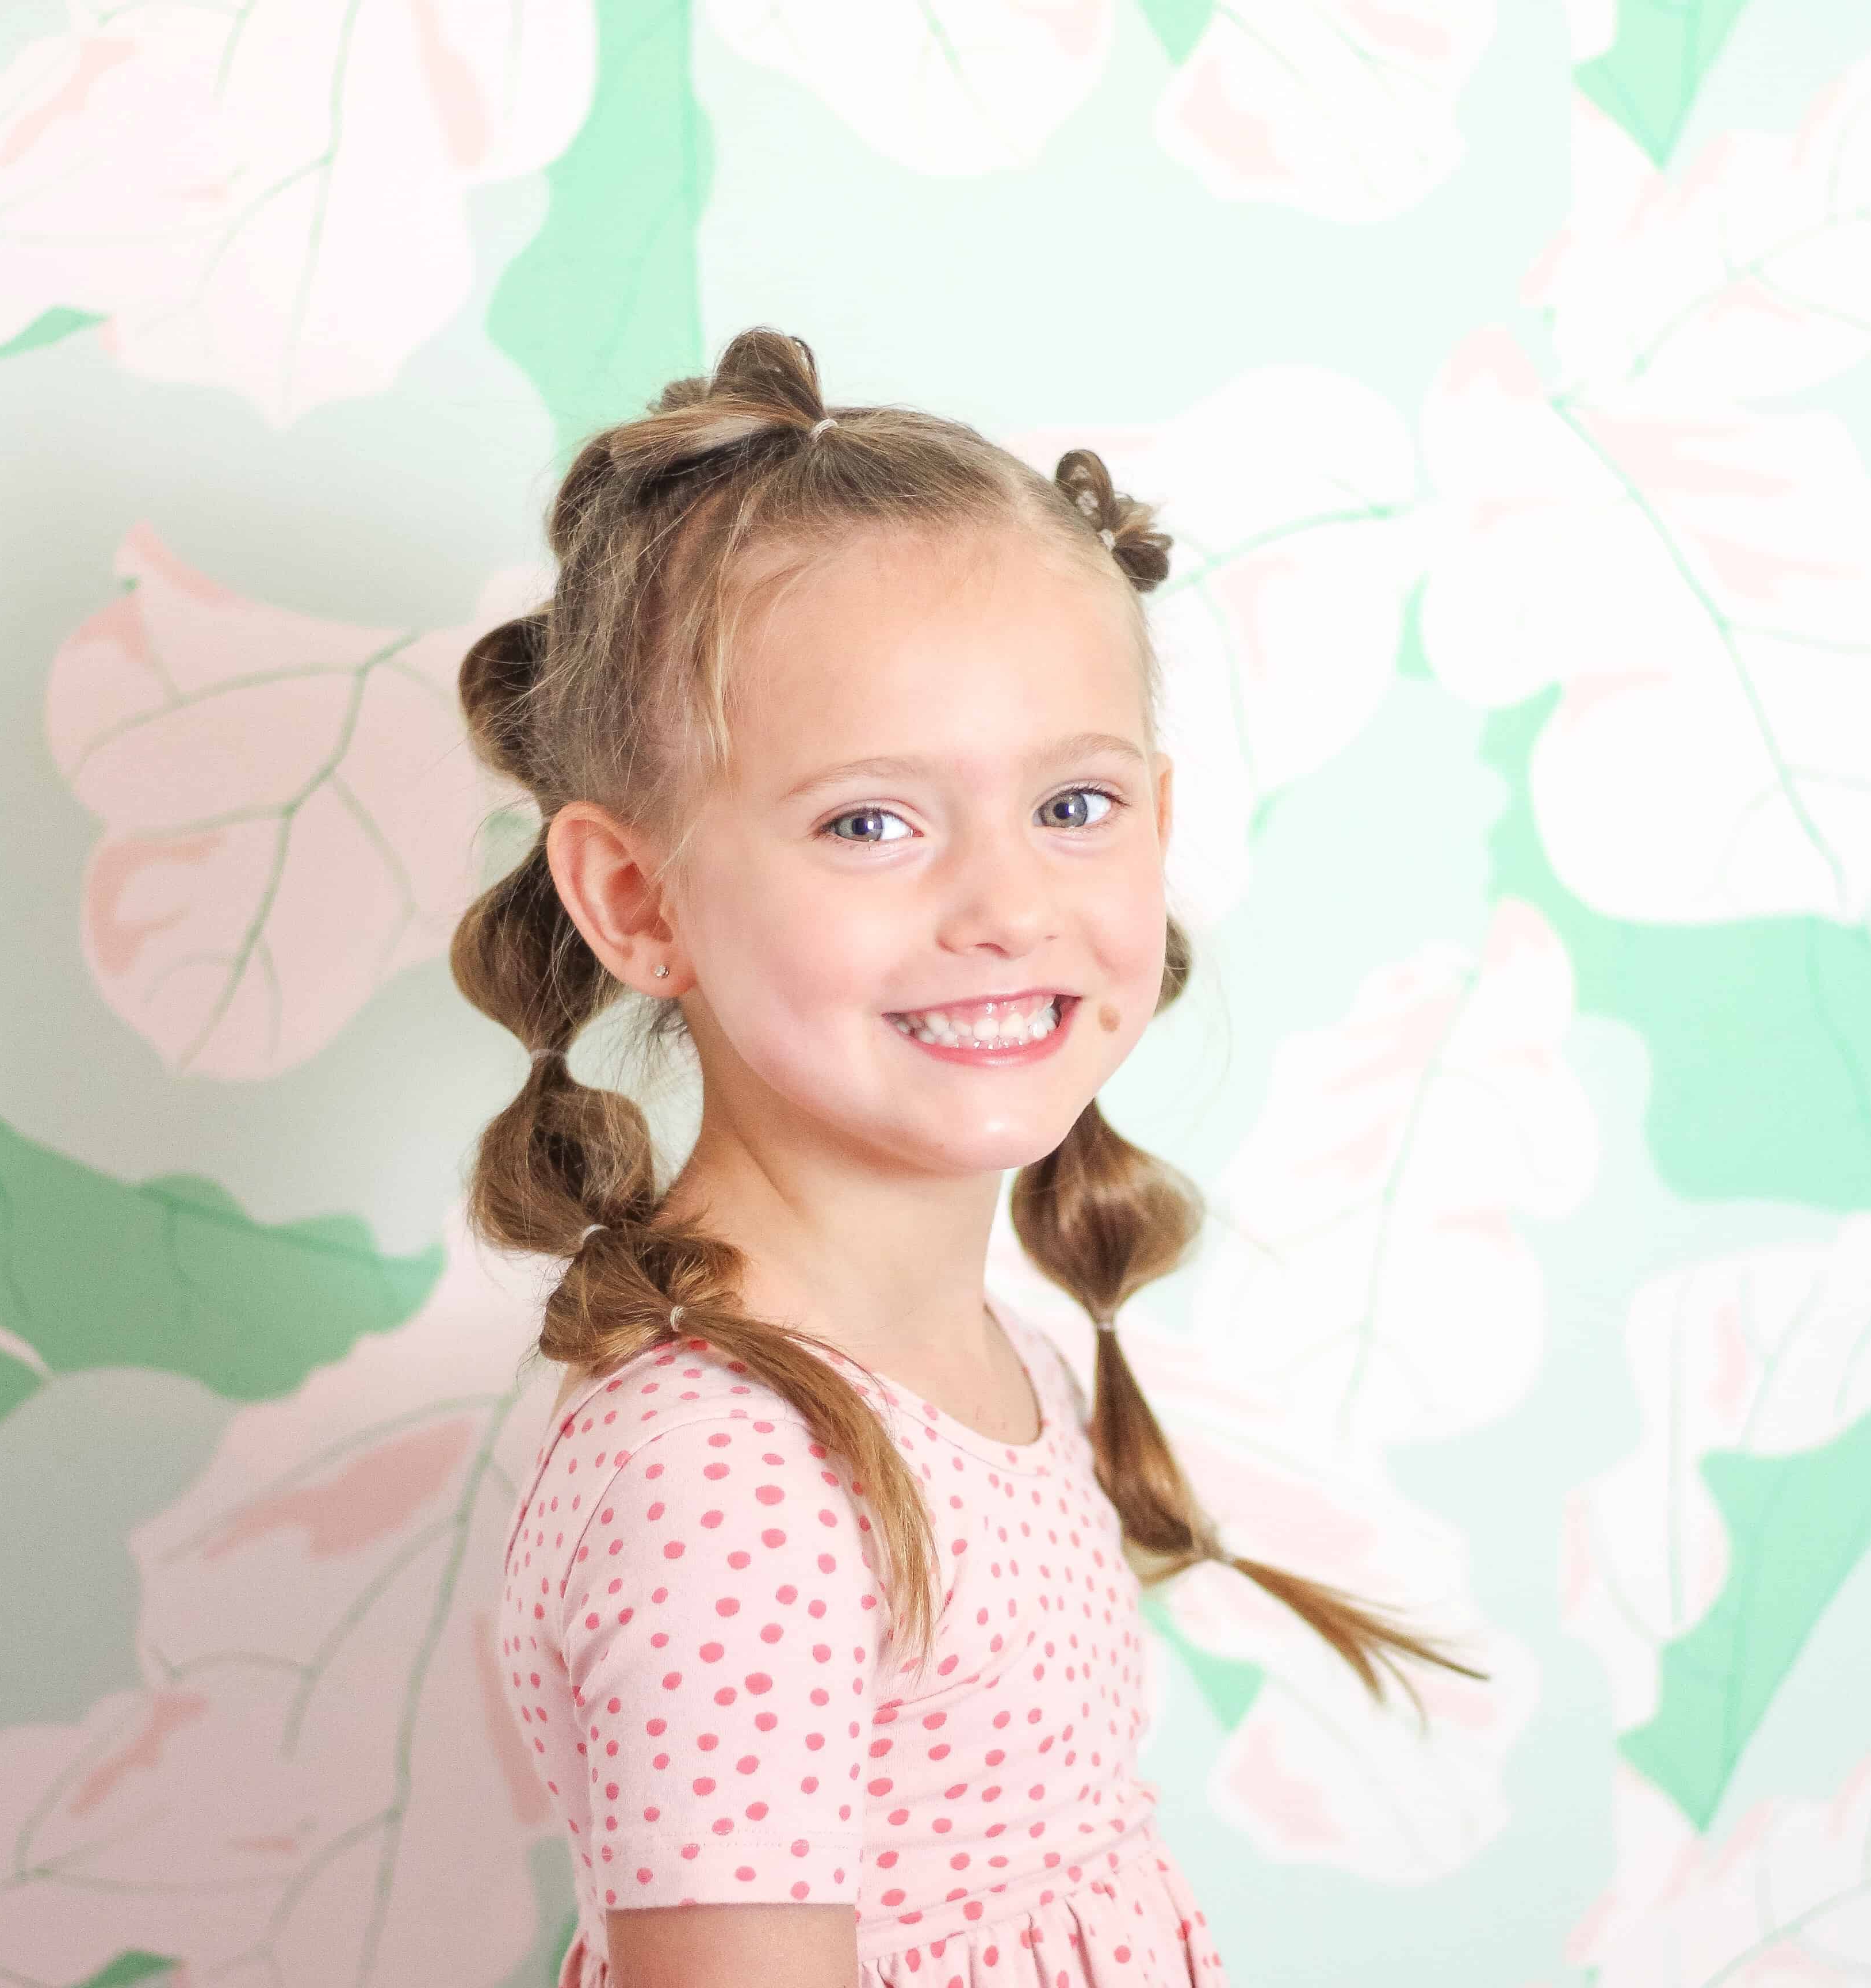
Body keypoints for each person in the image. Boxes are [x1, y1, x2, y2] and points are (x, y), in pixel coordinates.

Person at [460, 327, 1484, 1987]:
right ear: (638, 901)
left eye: (1073, 807)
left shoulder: (980, 1358)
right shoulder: (732, 1480)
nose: (1010, 907)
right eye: (874, 822)